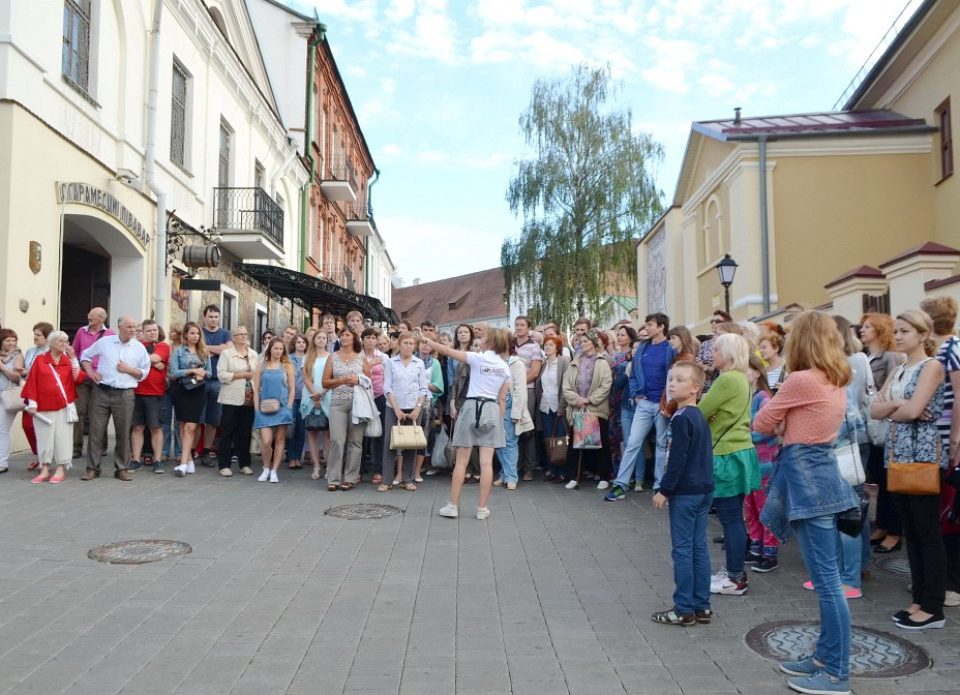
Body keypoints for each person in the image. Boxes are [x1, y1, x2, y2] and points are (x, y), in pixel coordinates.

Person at [755, 310, 860, 694]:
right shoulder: (835, 378)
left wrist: (782, 422)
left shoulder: (800, 379)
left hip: (808, 481)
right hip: (821, 474)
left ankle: (836, 674)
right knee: (826, 580)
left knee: (828, 584)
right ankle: (822, 657)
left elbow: (762, 423)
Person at [871, 309, 949, 631]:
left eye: (905, 331)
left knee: (927, 533)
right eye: (897, 331)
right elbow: (875, 408)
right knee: (911, 534)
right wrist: (895, 408)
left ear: (922, 334)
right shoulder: (901, 368)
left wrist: (895, 408)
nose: (898, 336)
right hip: (897, 458)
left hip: (923, 459)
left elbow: (915, 409)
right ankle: (918, 599)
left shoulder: (932, 367)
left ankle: (933, 607)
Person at [651, 361, 715, 626]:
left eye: (679, 380)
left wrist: (664, 490)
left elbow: (677, 458)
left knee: (683, 549)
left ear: (695, 388)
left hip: (686, 492)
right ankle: (702, 605)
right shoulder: (698, 416)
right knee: (699, 547)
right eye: (671, 379)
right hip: (703, 489)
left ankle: (684, 609)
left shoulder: (682, 418)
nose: (672, 383)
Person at [696, 333, 760, 596]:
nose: (713, 355)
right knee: (733, 517)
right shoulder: (740, 378)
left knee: (731, 518)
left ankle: (735, 578)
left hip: (726, 453)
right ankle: (734, 572)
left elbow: (701, 409)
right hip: (738, 451)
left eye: (718, 350)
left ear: (730, 354)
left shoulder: (727, 379)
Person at [426, 328, 511, 520]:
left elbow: (448, 351)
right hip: (491, 408)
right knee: (486, 462)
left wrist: (428, 342)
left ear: (490, 342)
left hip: (471, 406)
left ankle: (453, 506)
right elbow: (502, 399)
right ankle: (482, 508)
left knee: (462, 461)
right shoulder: (505, 367)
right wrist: (500, 422)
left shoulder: (477, 358)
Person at [606, 313, 675, 500]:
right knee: (632, 443)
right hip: (643, 404)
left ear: (661, 327)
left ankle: (659, 485)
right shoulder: (643, 347)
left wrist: (668, 400)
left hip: (661, 404)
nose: (646, 328)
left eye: (651, 324)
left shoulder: (670, 349)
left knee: (661, 445)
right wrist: (636, 395)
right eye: (646, 324)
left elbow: (673, 376)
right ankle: (620, 485)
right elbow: (634, 374)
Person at [920, 297, 960, 607]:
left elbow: (959, 395)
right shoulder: (947, 349)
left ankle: (951, 586)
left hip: (948, 441)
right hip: (944, 440)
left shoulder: (950, 351)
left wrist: (956, 438)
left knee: (948, 516)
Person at [79, 315, 150, 482]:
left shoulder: (139, 348)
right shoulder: (105, 342)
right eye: (129, 327)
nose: (133, 330)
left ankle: (122, 468)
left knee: (123, 432)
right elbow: (85, 356)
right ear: (120, 327)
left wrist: (128, 369)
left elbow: (144, 373)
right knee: (96, 431)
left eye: (134, 327)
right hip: (101, 391)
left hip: (125, 394)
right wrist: (90, 372)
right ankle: (92, 468)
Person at [859, 312, 905, 554]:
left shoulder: (890, 357)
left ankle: (894, 531)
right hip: (872, 424)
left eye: (868, 326)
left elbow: (893, 391)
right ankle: (883, 526)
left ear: (879, 330)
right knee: (878, 477)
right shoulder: (866, 357)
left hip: (886, 423)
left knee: (889, 481)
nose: (863, 330)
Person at [20, 331, 79, 484]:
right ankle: (44, 468)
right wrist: (32, 403)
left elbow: (77, 378)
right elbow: (32, 381)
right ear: (52, 343)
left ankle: (60, 468)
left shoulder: (67, 360)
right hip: (43, 406)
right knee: (44, 438)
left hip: (64, 406)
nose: (64, 344)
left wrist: (73, 358)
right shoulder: (40, 360)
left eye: (66, 341)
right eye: (61, 341)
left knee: (63, 437)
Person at [562, 330, 613, 489]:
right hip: (577, 408)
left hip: (595, 408)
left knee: (601, 443)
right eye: (580, 342)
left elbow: (606, 386)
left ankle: (604, 476)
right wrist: (576, 399)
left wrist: (589, 400)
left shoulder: (602, 362)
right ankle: (573, 477)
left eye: (585, 341)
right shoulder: (574, 362)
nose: (582, 344)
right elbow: (566, 386)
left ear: (593, 342)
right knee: (575, 444)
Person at [321, 327, 370, 490]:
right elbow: (325, 382)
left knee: (355, 441)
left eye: (347, 334)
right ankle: (333, 479)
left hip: (358, 403)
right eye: (341, 335)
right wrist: (341, 380)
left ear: (355, 338)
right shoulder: (332, 357)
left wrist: (358, 380)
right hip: (338, 403)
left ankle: (350, 478)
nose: (343, 337)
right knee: (337, 440)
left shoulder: (361, 357)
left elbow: (368, 381)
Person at [744, 355, 780, 573]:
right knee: (750, 506)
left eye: (745, 370)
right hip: (749, 460)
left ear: (757, 372)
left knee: (765, 506)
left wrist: (744, 435)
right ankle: (756, 545)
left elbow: (767, 429)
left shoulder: (764, 398)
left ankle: (770, 551)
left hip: (764, 462)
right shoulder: (747, 396)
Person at [382, 332, 429, 491]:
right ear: (399, 344)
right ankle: (386, 480)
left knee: (411, 443)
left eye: (411, 343)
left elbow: (423, 388)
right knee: (391, 442)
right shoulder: (390, 362)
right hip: (393, 407)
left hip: (414, 407)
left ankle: (407, 479)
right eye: (406, 343)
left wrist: (417, 408)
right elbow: (387, 387)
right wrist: (396, 409)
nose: (409, 346)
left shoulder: (419, 363)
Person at [168, 322, 211, 478]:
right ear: (185, 335)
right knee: (182, 425)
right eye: (192, 333)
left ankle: (184, 463)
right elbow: (173, 372)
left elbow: (211, 373)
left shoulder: (204, 352)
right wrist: (192, 370)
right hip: (182, 390)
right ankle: (189, 461)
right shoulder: (179, 351)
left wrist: (203, 373)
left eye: (197, 333)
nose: (195, 336)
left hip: (198, 391)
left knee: (191, 427)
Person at [71, 307, 115, 458]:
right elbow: (74, 351)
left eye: (92, 316)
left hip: (100, 378)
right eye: (89, 314)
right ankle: (76, 447)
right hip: (83, 377)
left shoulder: (110, 334)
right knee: (79, 411)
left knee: (98, 413)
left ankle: (100, 446)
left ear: (101, 319)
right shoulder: (81, 331)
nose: (88, 317)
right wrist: (78, 367)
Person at [216, 326, 258, 476]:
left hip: (249, 399)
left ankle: (245, 464)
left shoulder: (253, 354)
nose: (243, 336)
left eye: (245, 334)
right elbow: (221, 375)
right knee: (227, 431)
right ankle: (224, 465)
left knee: (245, 432)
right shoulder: (226, 354)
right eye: (240, 334)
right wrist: (241, 375)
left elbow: (257, 374)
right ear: (233, 337)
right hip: (231, 398)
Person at [130, 320, 169, 473]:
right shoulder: (136, 346)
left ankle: (157, 460)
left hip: (155, 394)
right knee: (137, 427)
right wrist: (151, 362)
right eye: (149, 331)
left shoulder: (163, 346)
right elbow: (129, 362)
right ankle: (135, 459)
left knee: (155, 427)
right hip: (136, 391)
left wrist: (149, 361)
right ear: (143, 333)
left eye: (155, 330)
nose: (153, 333)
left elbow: (156, 358)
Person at [254, 337, 295, 483]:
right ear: (269, 349)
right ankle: (266, 468)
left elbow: (292, 389)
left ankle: (274, 470)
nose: (278, 351)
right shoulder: (261, 366)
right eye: (275, 348)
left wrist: (289, 407)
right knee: (266, 441)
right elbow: (256, 388)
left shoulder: (287, 366)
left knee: (279, 439)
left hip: (282, 407)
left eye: (280, 349)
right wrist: (256, 409)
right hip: (264, 408)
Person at [199, 305, 233, 467]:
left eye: (216, 316)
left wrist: (207, 349)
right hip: (199, 381)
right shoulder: (199, 332)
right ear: (204, 317)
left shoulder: (225, 333)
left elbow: (227, 349)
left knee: (213, 420)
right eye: (210, 316)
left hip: (218, 381)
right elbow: (195, 351)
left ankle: (206, 452)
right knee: (197, 419)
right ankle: (192, 452)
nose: (213, 319)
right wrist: (216, 350)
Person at [498, 340, 534, 489]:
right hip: (495, 406)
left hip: (510, 407)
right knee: (498, 443)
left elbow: (520, 390)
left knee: (510, 442)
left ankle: (511, 477)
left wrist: (517, 412)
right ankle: (504, 474)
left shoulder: (516, 363)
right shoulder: (494, 362)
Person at [536, 335, 570, 482]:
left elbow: (566, 384)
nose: (547, 347)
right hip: (545, 406)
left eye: (551, 345)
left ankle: (562, 471)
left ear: (557, 347)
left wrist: (562, 405)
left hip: (559, 406)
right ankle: (551, 469)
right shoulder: (544, 364)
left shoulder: (563, 362)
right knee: (548, 439)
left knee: (561, 439)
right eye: (546, 345)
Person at [608, 325, 638, 488]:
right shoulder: (616, 356)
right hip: (614, 400)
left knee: (627, 440)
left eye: (623, 335)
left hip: (626, 400)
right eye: (618, 335)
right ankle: (617, 471)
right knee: (614, 439)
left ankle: (630, 475)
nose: (619, 337)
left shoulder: (631, 356)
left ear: (630, 338)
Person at [21, 321, 53, 471]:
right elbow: (27, 373)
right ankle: (38, 455)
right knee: (27, 425)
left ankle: (46, 458)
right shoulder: (30, 351)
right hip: (30, 393)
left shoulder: (53, 352)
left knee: (45, 427)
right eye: (34, 334)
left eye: (38, 335)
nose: (35, 337)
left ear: (47, 337)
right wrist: (22, 373)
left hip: (45, 395)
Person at [302, 329, 332, 480]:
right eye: (318, 337)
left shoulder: (331, 357)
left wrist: (322, 394)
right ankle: (316, 466)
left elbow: (332, 377)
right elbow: (306, 378)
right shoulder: (307, 357)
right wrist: (315, 395)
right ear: (313, 340)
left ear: (327, 341)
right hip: (310, 396)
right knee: (312, 432)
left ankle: (328, 466)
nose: (321, 340)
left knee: (327, 433)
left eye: (324, 338)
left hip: (326, 396)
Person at [360, 328, 388, 485]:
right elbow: (357, 374)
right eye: (367, 337)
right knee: (360, 435)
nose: (370, 340)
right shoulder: (358, 356)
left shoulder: (384, 357)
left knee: (379, 434)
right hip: (362, 398)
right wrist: (369, 365)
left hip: (379, 396)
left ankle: (379, 470)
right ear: (362, 340)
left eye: (373, 338)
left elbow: (388, 378)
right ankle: (359, 470)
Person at [415, 335, 444, 481]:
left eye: (428, 343)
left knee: (424, 435)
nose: (425, 346)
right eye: (422, 342)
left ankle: (418, 469)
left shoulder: (435, 363)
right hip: (408, 400)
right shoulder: (411, 359)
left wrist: (422, 383)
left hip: (427, 402)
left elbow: (438, 387)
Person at [0, 328, 25, 474]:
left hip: (8, 397)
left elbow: (16, 377)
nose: (11, 343)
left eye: (13, 340)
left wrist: (2, 368)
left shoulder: (17, 354)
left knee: (2, 429)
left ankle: (2, 462)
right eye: (8, 340)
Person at [160, 323, 183, 465]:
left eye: (173, 331)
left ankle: (180, 452)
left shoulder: (184, 349)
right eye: (170, 330)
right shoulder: (167, 347)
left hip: (181, 387)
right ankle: (164, 451)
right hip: (167, 386)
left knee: (180, 421)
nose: (170, 333)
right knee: (165, 420)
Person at [286, 333, 308, 470]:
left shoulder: (309, 359)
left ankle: (298, 458)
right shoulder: (288, 359)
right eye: (298, 342)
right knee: (291, 428)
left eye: (303, 342)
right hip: (291, 397)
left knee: (301, 428)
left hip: (304, 397)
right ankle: (291, 457)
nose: (301, 344)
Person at [696, 309, 731, 392]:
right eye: (712, 321)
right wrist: (707, 368)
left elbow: (718, 367)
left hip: (718, 385)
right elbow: (697, 363)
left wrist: (704, 367)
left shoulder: (728, 342)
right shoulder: (705, 344)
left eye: (717, 321)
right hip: (702, 387)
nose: (713, 323)